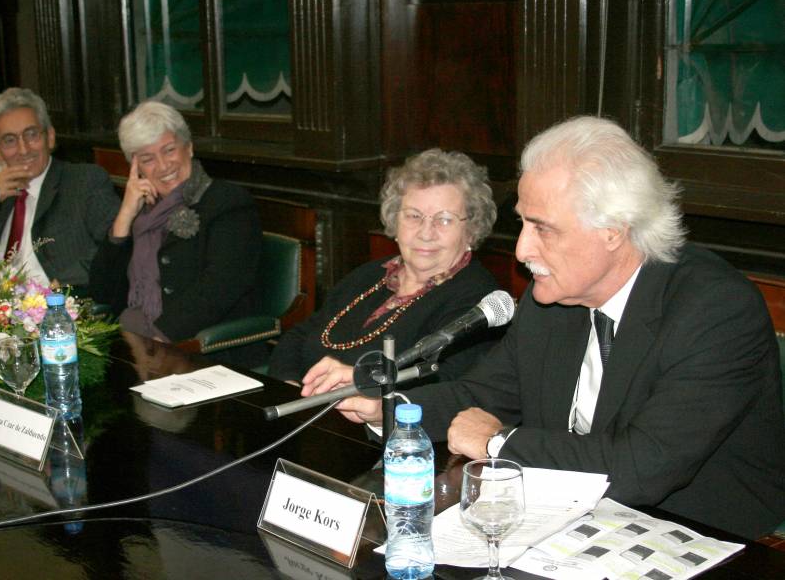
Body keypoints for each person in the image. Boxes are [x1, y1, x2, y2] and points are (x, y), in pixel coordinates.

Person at [308, 117, 785, 539]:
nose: (521, 251)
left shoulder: (714, 309)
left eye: (543, 228)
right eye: (522, 224)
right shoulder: (551, 302)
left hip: (701, 534)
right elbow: (486, 393)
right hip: (571, 520)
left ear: (613, 230)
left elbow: (643, 467)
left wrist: (499, 444)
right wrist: (386, 406)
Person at [270, 148, 502, 392]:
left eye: (444, 219)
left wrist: (363, 383)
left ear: (472, 230)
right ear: (395, 220)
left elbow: (444, 384)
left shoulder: (477, 299)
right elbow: (300, 336)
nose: (425, 233)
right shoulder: (370, 274)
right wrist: (288, 385)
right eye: (413, 216)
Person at [88, 101, 263, 355]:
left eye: (169, 150)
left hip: (200, 350)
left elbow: (218, 289)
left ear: (189, 148)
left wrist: (158, 339)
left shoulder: (227, 202)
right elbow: (101, 292)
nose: (163, 165)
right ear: (135, 167)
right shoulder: (140, 211)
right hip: (136, 342)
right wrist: (125, 217)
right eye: (148, 159)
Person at [0, 88, 120, 294]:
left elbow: (113, 248)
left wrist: (56, 290)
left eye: (31, 135)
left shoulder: (84, 181)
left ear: (50, 137)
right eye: (10, 140)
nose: (23, 149)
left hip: (58, 309)